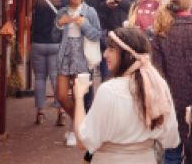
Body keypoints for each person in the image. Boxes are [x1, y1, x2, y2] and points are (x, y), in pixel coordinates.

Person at [72, 28, 179, 164]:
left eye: (111, 49)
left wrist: (79, 97)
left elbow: (83, 142)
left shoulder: (109, 90)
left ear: (126, 55)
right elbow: (171, 138)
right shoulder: (158, 85)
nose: (105, 54)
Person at [150, 0, 192, 164]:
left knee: (171, 150)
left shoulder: (161, 32)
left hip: (170, 98)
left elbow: (157, 71)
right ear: (190, 4)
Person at [54, 0, 102, 147]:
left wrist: (85, 25)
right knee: (61, 95)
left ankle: (76, 130)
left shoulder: (90, 12)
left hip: (81, 54)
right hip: (65, 53)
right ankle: (81, 124)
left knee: (78, 94)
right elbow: (54, 36)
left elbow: (97, 35)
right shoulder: (62, 12)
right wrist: (60, 24)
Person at [32, 0, 68, 125]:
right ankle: (60, 111)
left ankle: (40, 112)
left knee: (39, 77)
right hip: (57, 43)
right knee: (56, 78)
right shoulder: (64, 0)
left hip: (38, 42)